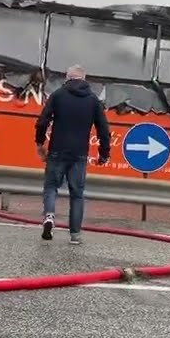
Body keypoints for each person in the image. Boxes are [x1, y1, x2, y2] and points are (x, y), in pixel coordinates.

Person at [34, 65, 111, 244]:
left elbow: (42, 121)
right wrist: (104, 154)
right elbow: (103, 129)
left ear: (67, 78)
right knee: (77, 194)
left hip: (56, 151)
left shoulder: (58, 95)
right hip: (79, 154)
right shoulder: (93, 100)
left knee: (51, 187)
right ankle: (75, 235)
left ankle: (50, 217)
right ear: (84, 79)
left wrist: (40, 144)